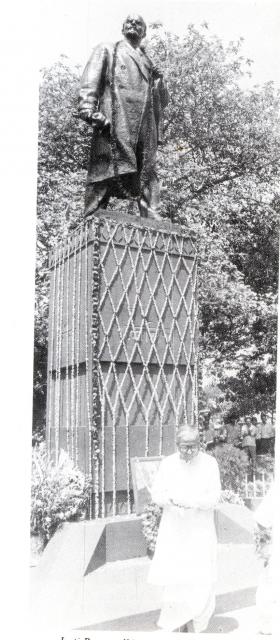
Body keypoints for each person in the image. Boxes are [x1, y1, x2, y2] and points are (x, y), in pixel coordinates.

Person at [78, 14, 168, 219]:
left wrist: (160, 80)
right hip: (117, 119)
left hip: (144, 125)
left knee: (147, 170)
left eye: (139, 23)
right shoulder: (108, 49)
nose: (133, 24)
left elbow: (162, 101)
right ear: (123, 28)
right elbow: (91, 79)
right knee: (104, 168)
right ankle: (91, 214)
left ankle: (151, 213)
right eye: (129, 21)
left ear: (144, 32)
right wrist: (87, 107)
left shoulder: (149, 63)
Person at [148, 423, 221, 632]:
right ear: (176, 444)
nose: (189, 451)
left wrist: (195, 503)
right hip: (175, 529)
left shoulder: (209, 464)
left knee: (201, 576)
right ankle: (177, 623)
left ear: (200, 444)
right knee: (176, 577)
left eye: (193, 446)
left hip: (200, 529)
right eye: (184, 446)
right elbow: (157, 494)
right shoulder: (168, 464)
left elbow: (214, 496)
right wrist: (170, 501)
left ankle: (197, 623)